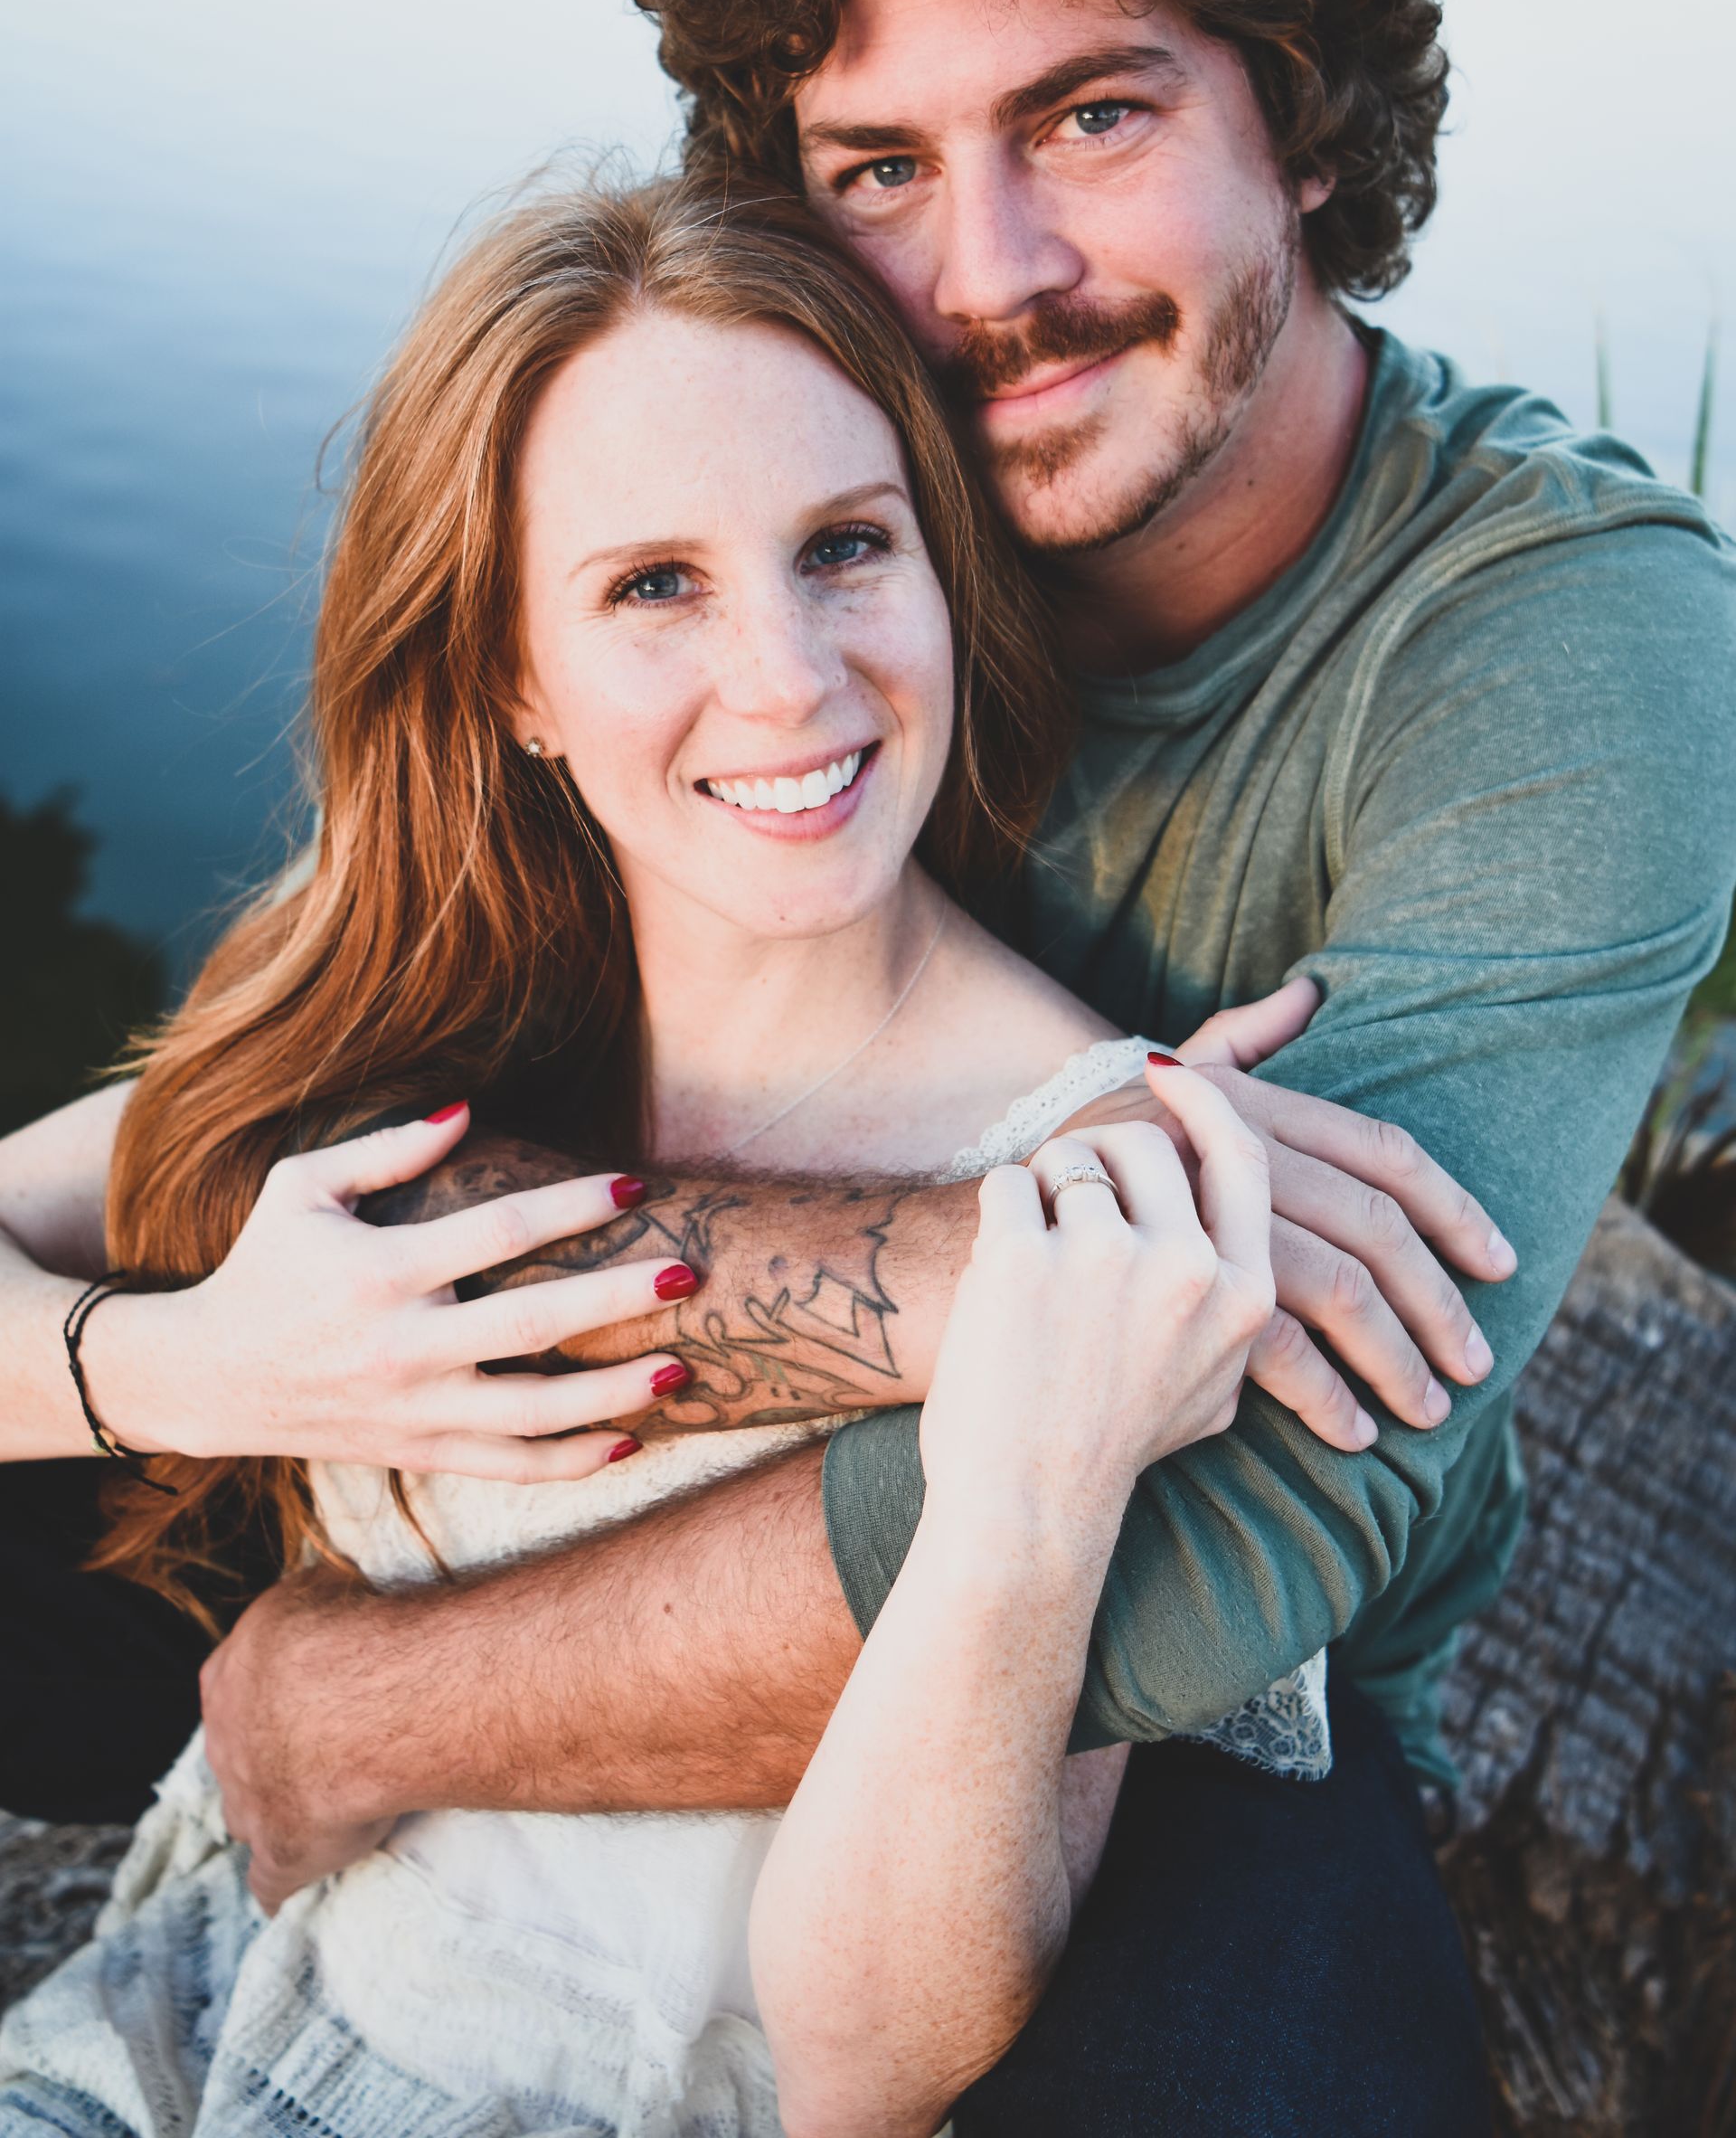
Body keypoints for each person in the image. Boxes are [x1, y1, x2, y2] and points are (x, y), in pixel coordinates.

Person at [5, 0, 1733, 2133]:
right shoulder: (803, 530)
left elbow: (1244, 1521)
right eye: (877, 168)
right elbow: (199, 1146)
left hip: (1138, 1716)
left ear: (1306, 106)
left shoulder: (1570, 648)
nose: (994, 276)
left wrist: (345, 1698)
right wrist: (184, 1356)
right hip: (626, 1461)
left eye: (1095, 115)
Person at [5, 174, 1355, 2135]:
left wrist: (1022, 1496)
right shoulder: (435, 1013)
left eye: (842, 549)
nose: (789, 677)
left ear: (941, 573)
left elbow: (883, 2064)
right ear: (514, 682)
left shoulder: (1095, 1187)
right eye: (654, 586)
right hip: (214, 2010)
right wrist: (198, 1363)